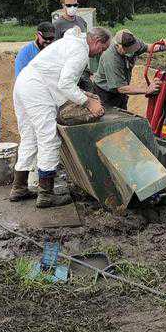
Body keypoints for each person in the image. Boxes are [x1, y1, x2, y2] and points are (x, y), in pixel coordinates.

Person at [11, 27, 112, 208]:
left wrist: (84, 95)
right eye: (102, 49)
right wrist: (89, 103)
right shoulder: (80, 51)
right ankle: (46, 195)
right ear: (96, 41)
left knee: (29, 137)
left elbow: (61, 79)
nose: (100, 53)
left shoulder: (69, 43)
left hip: (24, 84)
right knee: (49, 139)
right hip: (37, 89)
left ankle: (19, 188)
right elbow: (65, 84)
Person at [92, 30, 166, 109]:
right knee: (110, 120)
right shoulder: (111, 58)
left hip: (120, 93)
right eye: (127, 52)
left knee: (123, 116)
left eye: (133, 51)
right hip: (104, 94)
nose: (131, 53)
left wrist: (163, 46)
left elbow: (148, 47)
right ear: (118, 46)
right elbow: (121, 88)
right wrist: (147, 90)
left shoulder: (133, 43)